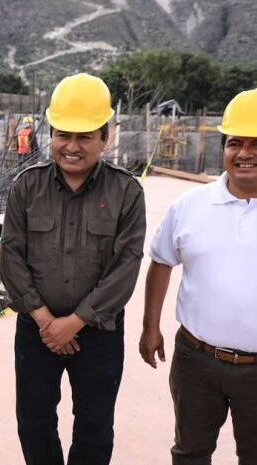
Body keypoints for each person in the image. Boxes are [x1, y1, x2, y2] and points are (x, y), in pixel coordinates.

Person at [0, 73, 146, 465]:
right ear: (51, 134)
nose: (72, 146)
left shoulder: (126, 192)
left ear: (105, 136)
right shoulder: (26, 187)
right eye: (63, 134)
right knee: (33, 422)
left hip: (98, 334)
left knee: (95, 428)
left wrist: (75, 322)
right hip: (36, 330)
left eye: (84, 136)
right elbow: (10, 256)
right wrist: (47, 321)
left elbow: (125, 267)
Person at [139, 88, 257, 465]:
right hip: (196, 360)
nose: (244, 154)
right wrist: (150, 327)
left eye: (256, 144)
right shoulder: (190, 207)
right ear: (223, 148)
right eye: (235, 143)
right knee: (190, 453)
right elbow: (160, 262)